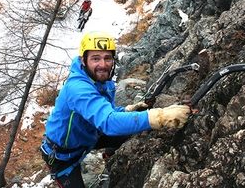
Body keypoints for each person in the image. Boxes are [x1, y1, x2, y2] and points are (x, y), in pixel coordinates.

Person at [40, 31, 191, 188]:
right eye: (96, 58)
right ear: (83, 61)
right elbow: (109, 122)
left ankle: (108, 159)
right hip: (63, 157)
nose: (103, 65)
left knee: (130, 134)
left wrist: (126, 110)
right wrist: (159, 117)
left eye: (107, 58)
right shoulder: (77, 88)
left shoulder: (104, 81)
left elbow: (108, 112)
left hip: (90, 135)